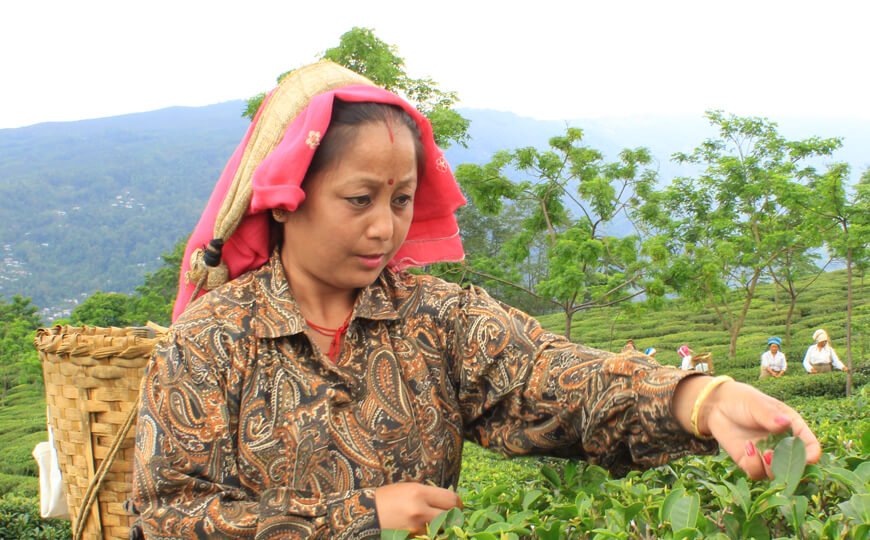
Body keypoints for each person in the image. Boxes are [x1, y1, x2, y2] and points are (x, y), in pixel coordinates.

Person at [132, 62, 821, 539]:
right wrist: (362, 517)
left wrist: (697, 399)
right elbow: (167, 517)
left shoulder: (436, 319)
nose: (385, 227)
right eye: (359, 199)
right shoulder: (211, 339)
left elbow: (553, 378)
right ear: (287, 199)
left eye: (402, 200)